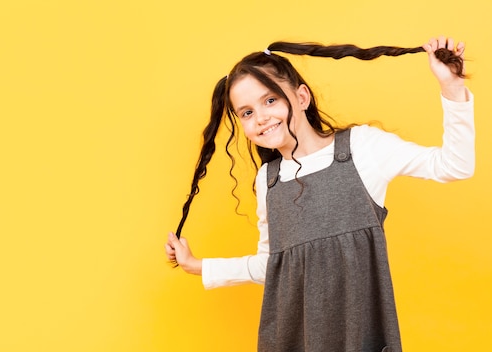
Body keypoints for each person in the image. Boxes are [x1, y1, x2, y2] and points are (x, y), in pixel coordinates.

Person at [164, 36, 474, 352]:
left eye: (270, 100)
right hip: (292, 339)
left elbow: (455, 166)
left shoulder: (362, 148)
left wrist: (451, 88)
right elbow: (272, 264)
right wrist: (198, 265)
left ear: (301, 97)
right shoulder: (267, 180)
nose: (260, 118)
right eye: (246, 112)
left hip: (360, 337)